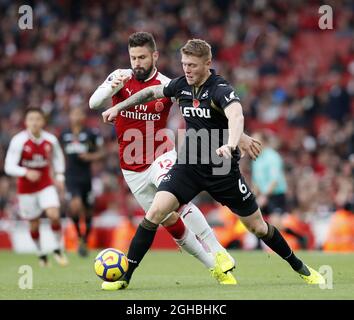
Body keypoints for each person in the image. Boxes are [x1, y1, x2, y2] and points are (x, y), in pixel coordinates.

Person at [102, 38, 325, 290]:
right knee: (155, 213)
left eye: (193, 65)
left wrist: (232, 143)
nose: (187, 69)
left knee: (259, 228)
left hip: (222, 170)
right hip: (188, 166)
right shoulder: (181, 86)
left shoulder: (220, 89)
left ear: (208, 63)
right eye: (184, 64)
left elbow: (235, 115)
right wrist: (119, 106)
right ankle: (125, 277)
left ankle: (301, 268)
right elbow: (151, 92)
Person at [91, 32, 262, 289]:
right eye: (133, 58)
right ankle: (214, 266)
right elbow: (94, 103)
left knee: (178, 202)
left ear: (155, 56)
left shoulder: (168, 83)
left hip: (163, 156)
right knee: (167, 219)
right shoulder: (120, 77)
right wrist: (112, 84)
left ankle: (218, 250)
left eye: (142, 57)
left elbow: (208, 112)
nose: (137, 63)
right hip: (131, 165)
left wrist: (242, 137)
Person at [4, 107, 68, 267]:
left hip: (46, 184)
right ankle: (41, 253)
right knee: (34, 223)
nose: (34, 122)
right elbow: (8, 166)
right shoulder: (19, 140)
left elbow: (58, 159)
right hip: (26, 189)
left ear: (43, 121)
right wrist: (25, 172)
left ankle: (57, 249)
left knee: (53, 214)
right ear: (26, 122)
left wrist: (59, 176)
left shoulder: (50, 140)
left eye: (37, 119)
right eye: (31, 119)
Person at [60, 107, 105, 257]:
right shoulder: (64, 134)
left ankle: (84, 239)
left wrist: (90, 157)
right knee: (75, 205)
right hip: (71, 176)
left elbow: (102, 152)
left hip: (86, 176)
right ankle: (80, 236)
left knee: (88, 211)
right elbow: (57, 154)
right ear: (70, 116)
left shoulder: (91, 133)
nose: (77, 116)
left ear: (83, 116)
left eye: (79, 113)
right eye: (74, 113)